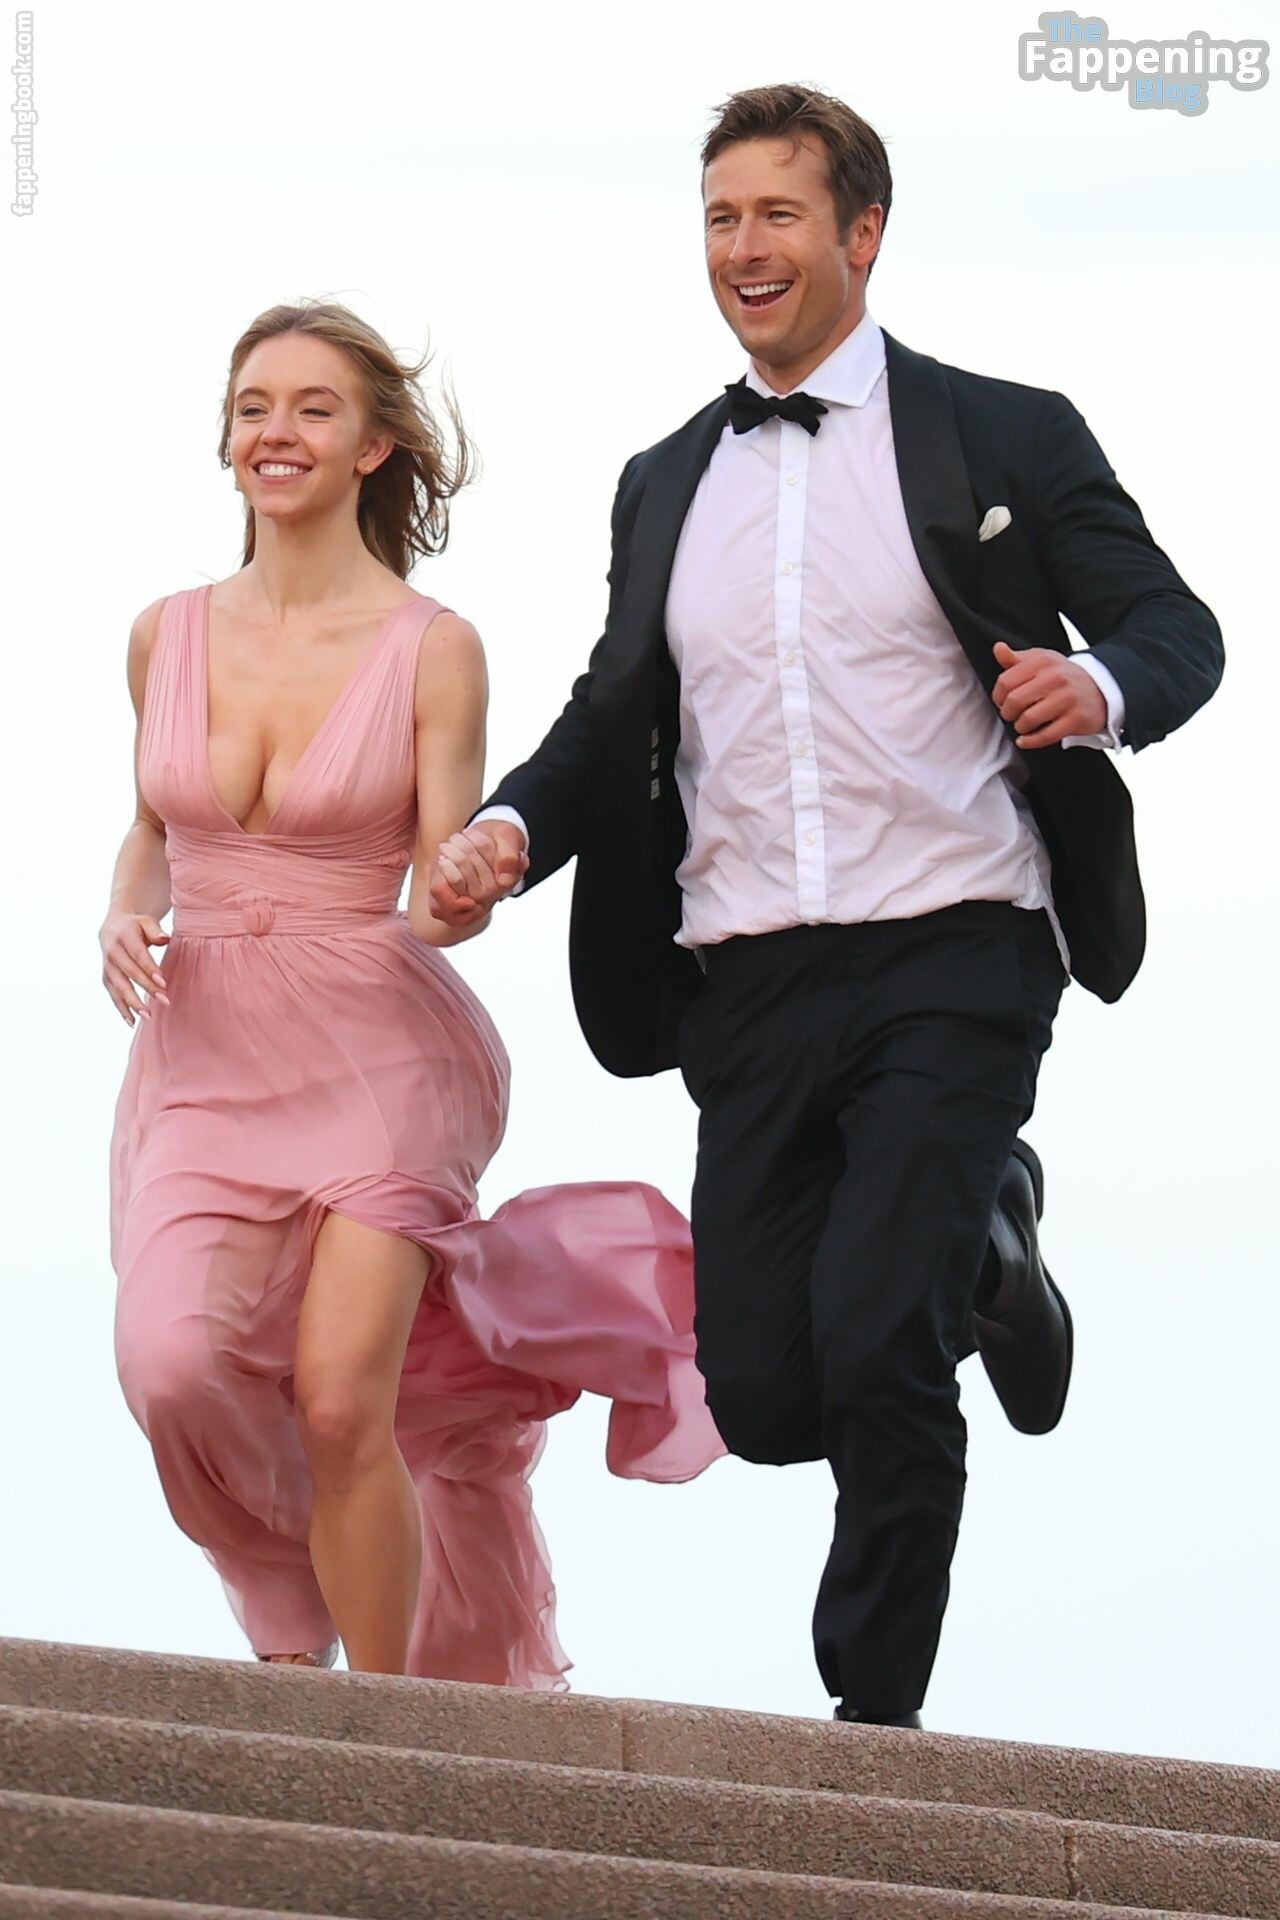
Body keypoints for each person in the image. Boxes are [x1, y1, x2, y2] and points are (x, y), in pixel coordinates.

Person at [429, 85, 1224, 1726]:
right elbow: (613, 712)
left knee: (876, 1343)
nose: (746, 247)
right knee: (770, 1392)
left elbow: (1176, 627)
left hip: (957, 949)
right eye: (722, 218)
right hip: (749, 982)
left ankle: (873, 1730)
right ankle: (991, 1240)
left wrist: (1094, 687)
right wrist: (508, 829)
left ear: (864, 232)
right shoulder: (666, 479)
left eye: (779, 214)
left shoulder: (1003, 434)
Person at [103, 299, 723, 1683]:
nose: (276, 432)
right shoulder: (162, 635)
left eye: (313, 408)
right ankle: (293, 1598)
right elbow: (152, 824)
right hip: (206, 1054)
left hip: (378, 1057)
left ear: (374, 446)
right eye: (254, 406)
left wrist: (466, 882)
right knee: (171, 1366)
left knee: (342, 1402)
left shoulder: (432, 647)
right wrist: (124, 906)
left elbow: (447, 894)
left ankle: (382, 1735)